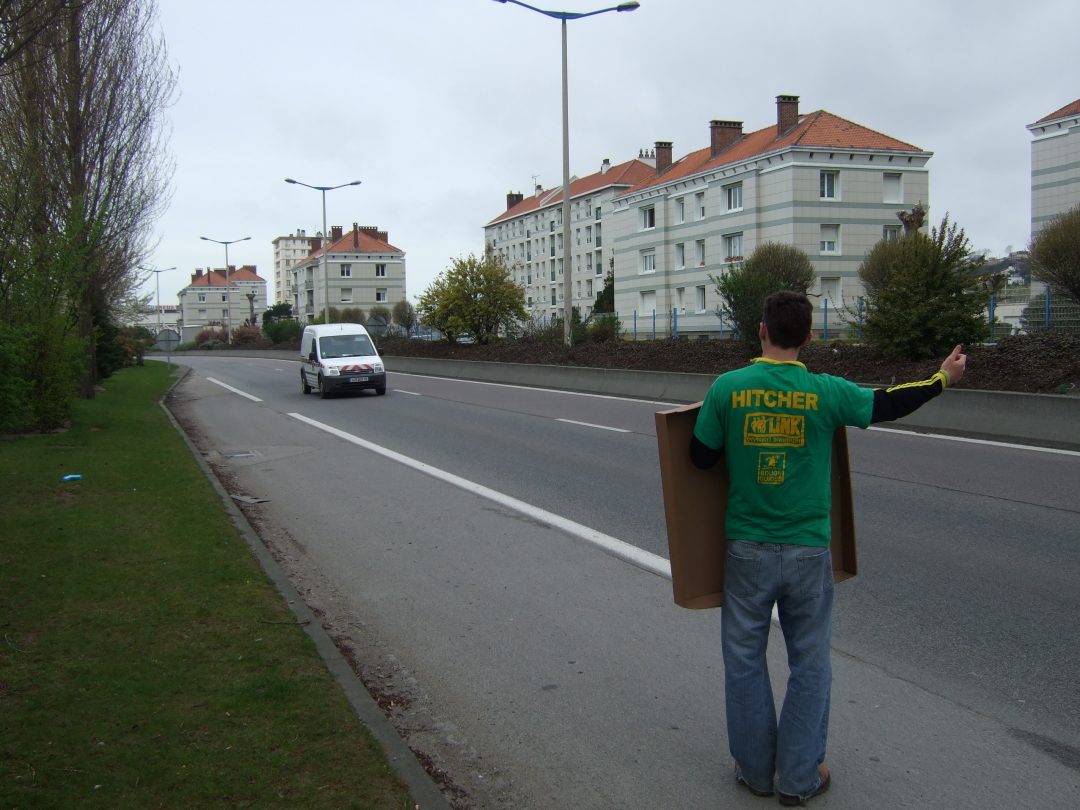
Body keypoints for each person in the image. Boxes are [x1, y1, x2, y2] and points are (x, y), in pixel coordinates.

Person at [689, 290, 966, 806]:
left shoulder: (728, 388)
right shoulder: (826, 392)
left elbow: (701, 458)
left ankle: (753, 771)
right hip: (808, 551)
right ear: (810, 338)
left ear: (762, 332)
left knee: (744, 659)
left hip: (746, 550)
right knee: (810, 663)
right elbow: (888, 402)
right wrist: (942, 378)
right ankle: (798, 778)